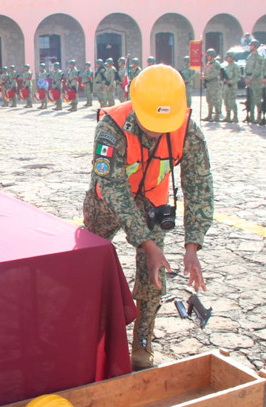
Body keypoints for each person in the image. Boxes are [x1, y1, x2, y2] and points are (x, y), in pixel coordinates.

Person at [82, 65, 213, 370]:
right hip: (107, 204)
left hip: (152, 202)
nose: (156, 129)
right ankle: (89, 333)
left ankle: (142, 343)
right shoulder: (111, 127)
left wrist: (193, 245)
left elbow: (199, 185)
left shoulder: (187, 127)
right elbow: (112, 187)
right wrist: (145, 243)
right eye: (150, 120)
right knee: (89, 265)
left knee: (154, 275)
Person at [244, 39, 265, 123]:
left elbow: (257, 69)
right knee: (250, 99)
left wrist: (251, 78)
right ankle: (251, 117)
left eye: (251, 45)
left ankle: (259, 117)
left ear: (255, 47)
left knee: (257, 100)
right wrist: (246, 77)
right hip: (249, 81)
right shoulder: (249, 56)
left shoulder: (259, 57)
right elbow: (246, 68)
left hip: (256, 81)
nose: (250, 47)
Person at [201, 49, 222, 121]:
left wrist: (206, 77)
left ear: (212, 56)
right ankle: (209, 115)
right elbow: (206, 72)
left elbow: (215, 74)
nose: (207, 57)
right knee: (209, 100)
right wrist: (203, 75)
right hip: (208, 85)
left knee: (215, 100)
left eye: (208, 55)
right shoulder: (208, 64)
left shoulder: (216, 64)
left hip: (214, 84)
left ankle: (217, 115)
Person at [222, 51, 241, 122]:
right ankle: (228, 116)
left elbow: (238, 77)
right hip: (226, 87)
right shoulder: (227, 66)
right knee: (226, 101)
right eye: (227, 57)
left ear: (232, 58)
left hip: (232, 87)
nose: (227, 58)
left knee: (232, 102)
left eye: (228, 57)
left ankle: (235, 117)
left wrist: (231, 81)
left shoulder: (235, 66)